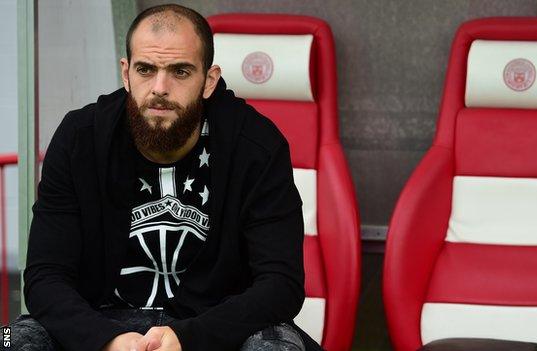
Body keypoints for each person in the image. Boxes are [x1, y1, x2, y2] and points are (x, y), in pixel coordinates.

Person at [7, 4, 320, 351]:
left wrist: (186, 339)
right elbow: (43, 277)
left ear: (209, 81)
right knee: (9, 340)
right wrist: (106, 340)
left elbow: (281, 284)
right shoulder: (79, 139)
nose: (159, 87)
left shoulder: (257, 146)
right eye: (145, 69)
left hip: (216, 327)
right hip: (101, 321)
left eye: (181, 72)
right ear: (125, 74)